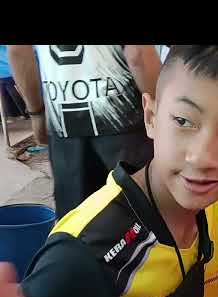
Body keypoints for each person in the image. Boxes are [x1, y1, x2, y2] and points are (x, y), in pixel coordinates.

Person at [0, 45, 218, 297]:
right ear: (150, 117)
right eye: (183, 121)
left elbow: (202, 296)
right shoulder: (83, 256)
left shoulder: (206, 202)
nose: (202, 158)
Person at [7, 45, 161, 218]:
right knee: (143, 213)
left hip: (63, 123)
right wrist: (164, 112)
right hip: (124, 123)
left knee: (78, 223)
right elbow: (138, 54)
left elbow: (18, 51)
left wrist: (37, 113)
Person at [0, 45, 28, 120]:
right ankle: (14, 114)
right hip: (5, 74)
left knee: (15, 95)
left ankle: (24, 113)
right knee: (5, 98)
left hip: (10, 72)